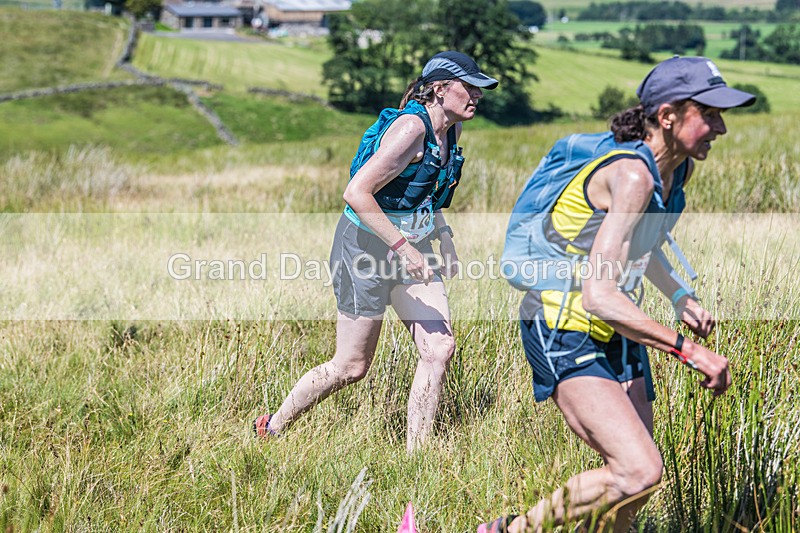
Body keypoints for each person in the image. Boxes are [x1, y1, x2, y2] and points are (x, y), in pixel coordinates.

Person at [479, 56, 755, 532]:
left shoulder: (676, 172)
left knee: (639, 483)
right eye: (708, 114)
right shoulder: (631, 175)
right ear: (667, 117)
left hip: (616, 327)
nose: (720, 128)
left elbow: (637, 245)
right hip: (562, 324)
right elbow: (598, 295)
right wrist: (688, 352)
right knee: (638, 469)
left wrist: (679, 296)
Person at [254, 51, 498, 452]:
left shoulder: (450, 130)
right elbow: (356, 193)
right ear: (439, 88)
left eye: (479, 88)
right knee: (351, 367)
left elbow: (427, 191)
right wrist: (403, 247)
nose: (477, 95)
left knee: (439, 349)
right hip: (363, 250)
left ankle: (415, 461)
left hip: (409, 251)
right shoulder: (409, 130)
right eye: (469, 87)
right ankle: (273, 427)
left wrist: (444, 234)